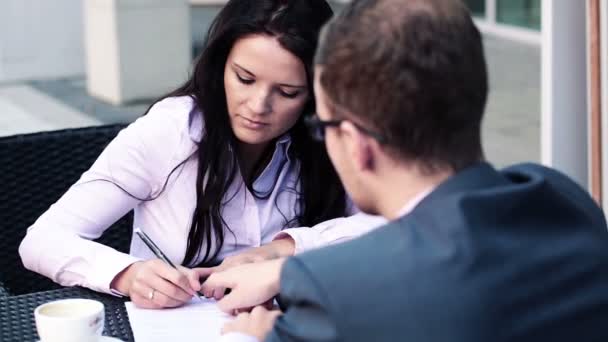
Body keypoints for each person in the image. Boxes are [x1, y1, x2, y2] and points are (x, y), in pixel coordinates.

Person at [201, 0, 608, 341]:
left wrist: (251, 336)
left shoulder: (340, 303)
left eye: (321, 126)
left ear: (358, 144)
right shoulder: (565, 201)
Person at [19, 0, 385, 309]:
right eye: (244, 78)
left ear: (318, 96)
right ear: (219, 66)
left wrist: (285, 250)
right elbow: (43, 240)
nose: (259, 106)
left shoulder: (330, 136)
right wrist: (129, 275)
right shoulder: (169, 134)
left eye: (288, 92)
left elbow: (403, 224)